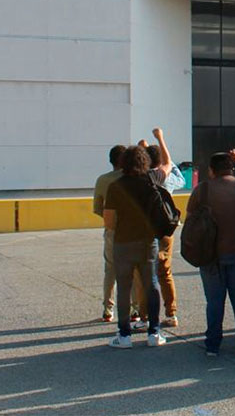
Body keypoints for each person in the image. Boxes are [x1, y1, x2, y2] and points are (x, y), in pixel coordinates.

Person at [191, 150, 235, 358]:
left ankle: (213, 345)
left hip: (211, 254)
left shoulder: (203, 190)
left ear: (211, 170)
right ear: (231, 167)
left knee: (214, 301)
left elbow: (192, 219)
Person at [103, 145, 167, 348]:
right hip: (148, 242)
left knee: (124, 286)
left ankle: (124, 336)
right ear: (144, 162)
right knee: (152, 284)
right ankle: (154, 333)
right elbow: (166, 165)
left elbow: (109, 221)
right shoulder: (153, 180)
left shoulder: (115, 186)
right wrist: (159, 140)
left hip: (123, 242)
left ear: (123, 163)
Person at [143, 131, 182, 328]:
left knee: (145, 275)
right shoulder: (164, 176)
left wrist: (144, 147)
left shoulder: (144, 178)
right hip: (166, 228)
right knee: (165, 272)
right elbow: (167, 161)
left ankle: (145, 316)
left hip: (147, 230)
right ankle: (171, 313)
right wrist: (160, 138)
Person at [94, 144, 126, 323]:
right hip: (132, 230)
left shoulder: (102, 180)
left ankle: (108, 309)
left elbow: (98, 208)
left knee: (110, 270)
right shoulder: (132, 178)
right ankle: (135, 308)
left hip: (111, 230)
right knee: (134, 270)